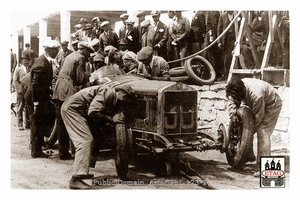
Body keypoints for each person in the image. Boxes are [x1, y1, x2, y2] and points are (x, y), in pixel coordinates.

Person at [61, 84, 137, 189]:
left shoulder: (112, 98)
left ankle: (83, 171)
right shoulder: (108, 92)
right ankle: (76, 179)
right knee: (85, 141)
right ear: (123, 94)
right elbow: (93, 112)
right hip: (73, 110)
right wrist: (111, 119)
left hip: (78, 110)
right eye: (126, 97)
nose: (125, 100)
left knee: (94, 137)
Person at [225, 78, 282, 176]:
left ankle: (266, 169)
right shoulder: (235, 86)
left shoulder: (256, 94)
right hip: (255, 100)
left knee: (262, 132)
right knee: (245, 130)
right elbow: (231, 101)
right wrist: (233, 114)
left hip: (272, 104)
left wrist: (246, 134)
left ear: (242, 93)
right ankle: (247, 156)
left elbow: (258, 118)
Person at [52, 41, 94, 160]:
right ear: (84, 50)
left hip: (59, 88)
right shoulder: (81, 58)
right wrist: (89, 75)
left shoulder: (70, 56)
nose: (89, 56)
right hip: (68, 90)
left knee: (60, 122)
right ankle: (76, 151)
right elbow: (80, 78)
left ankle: (63, 151)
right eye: (88, 53)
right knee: (72, 120)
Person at [30, 40, 60, 158]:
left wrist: (50, 91)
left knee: (39, 122)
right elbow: (35, 86)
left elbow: (42, 84)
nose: (57, 53)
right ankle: (36, 151)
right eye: (55, 51)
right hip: (37, 98)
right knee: (37, 123)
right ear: (49, 51)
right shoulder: (41, 64)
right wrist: (36, 103)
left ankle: (37, 149)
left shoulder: (44, 61)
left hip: (41, 96)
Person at [217, 11, 237, 80]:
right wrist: (219, 41)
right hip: (226, 41)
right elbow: (219, 29)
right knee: (226, 59)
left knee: (235, 58)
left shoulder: (237, 14)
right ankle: (227, 77)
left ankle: (235, 77)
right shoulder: (223, 16)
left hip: (235, 39)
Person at [204, 11, 222, 80]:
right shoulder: (211, 12)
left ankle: (218, 74)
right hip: (212, 38)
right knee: (212, 56)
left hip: (219, 37)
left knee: (217, 57)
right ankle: (215, 75)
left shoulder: (217, 12)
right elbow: (208, 25)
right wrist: (210, 33)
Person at [13, 54, 29, 130]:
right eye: (24, 60)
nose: (26, 62)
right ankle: (20, 124)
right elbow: (15, 81)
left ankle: (27, 123)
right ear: (22, 61)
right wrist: (19, 90)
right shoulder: (18, 69)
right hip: (20, 92)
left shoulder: (29, 69)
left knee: (27, 107)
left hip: (27, 91)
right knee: (20, 107)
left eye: (27, 60)